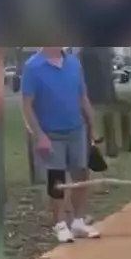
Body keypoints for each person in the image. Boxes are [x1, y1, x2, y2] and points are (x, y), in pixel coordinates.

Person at [21, 47, 101, 243]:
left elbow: (82, 97)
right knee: (56, 180)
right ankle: (60, 224)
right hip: (51, 134)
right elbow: (27, 106)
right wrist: (39, 135)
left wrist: (92, 127)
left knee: (81, 175)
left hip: (76, 130)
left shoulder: (74, 63)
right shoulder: (32, 67)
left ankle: (78, 221)